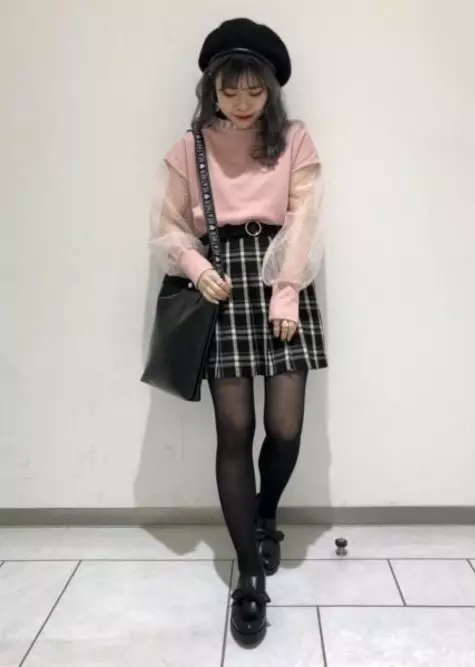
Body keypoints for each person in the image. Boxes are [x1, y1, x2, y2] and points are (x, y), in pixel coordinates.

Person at [150, 17, 327, 647]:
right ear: (212, 90)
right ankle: (249, 575)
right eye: (230, 91)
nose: (243, 102)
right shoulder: (190, 147)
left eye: (255, 90)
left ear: (271, 90)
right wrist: (196, 267)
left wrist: (287, 289)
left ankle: (266, 514)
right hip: (220, 278)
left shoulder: (294, 140)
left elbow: (305, 216)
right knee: (235, 430)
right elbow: (168, 224)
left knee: (286, 427)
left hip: (283, 271)